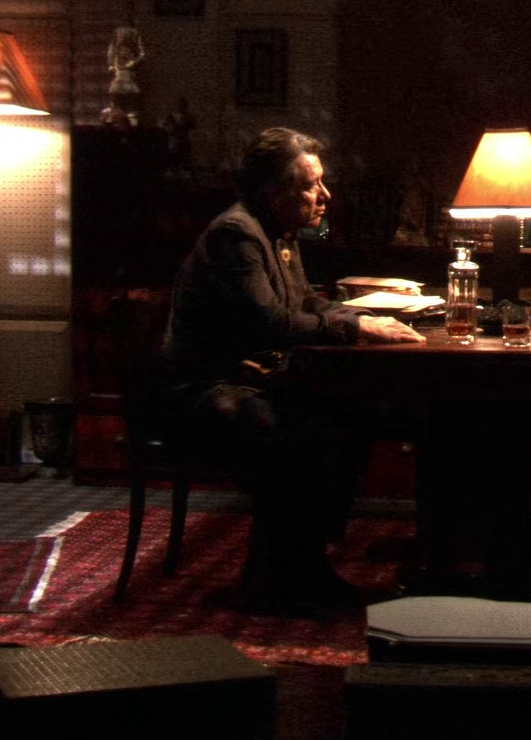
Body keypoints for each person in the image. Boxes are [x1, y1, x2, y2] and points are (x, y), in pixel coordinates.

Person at [164, 127, 423, 608]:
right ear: (273, 192)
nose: (325, 195)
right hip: (208, 390)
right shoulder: (237, 235)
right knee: (308, 432)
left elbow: (305, 302)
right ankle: (279, 576)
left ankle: (302, 560)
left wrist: (364, 317)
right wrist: (357, 329)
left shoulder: (278, 231)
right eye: (311, 185)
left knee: (353, 415)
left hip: (249, 379)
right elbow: (270, 322)